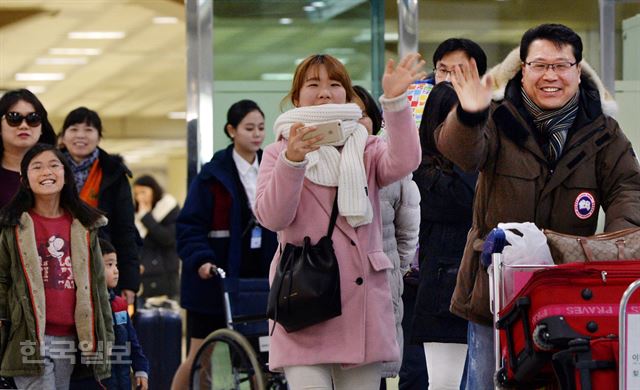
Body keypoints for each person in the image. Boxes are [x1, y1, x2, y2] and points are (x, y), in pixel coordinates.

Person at [438, 23, 640, 389]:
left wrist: (614, 248)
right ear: (523, 69)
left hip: (569, 289)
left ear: (578, 71)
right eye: (540, 65)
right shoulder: (498, 116)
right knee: (487, 382)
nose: (551, 76)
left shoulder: (604, 132)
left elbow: (627, 188)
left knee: (562, 380)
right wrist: (468, 114)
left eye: (562, 66)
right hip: (493, 288)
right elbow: (462, 154)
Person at [254, 52, 425, 389]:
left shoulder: (368, 147)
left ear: (347, 95)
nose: (324, 93)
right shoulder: (279, 151)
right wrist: (292, 162)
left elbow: (406, 160)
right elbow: (273, 217)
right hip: (303, 297)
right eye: (313, 84)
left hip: (361, 301)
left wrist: (394, 102)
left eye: (334, 84)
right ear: (296, 96)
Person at [172, 99, 278, 389]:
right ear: (231, 130)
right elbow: (189, 226)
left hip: (256, 280)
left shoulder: (271, 166)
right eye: (248, 128)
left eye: (260, 128)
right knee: (199, 356)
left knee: (262, 356)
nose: (257, 134)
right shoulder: (212, 175)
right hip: (213, 280)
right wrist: (202, 260)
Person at [0, 143, 113, 388]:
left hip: (70, 338)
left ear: (66, 174)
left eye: (54, 165)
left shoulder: (84, 225)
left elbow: (98, 286)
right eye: (36, 167)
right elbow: (2, 279)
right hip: (29, 336)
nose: (46, 172)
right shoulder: (13, 226)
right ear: (24, 179)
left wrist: (106, 339)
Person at [410, 38, 486, 390]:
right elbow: (465, 200)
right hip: (443, 289)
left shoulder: (488, 161)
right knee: (443, 382)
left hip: (483, 285)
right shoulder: (424, 170)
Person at [353, 85, 421, 389]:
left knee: (373, 370)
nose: (355, 122)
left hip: (380, 281)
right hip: (331, 286)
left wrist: (396, 268)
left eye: (362, 115)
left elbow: (408, 230)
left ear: (376, 121)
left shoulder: (390, 166)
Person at [58, 107, 140, 304]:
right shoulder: (48, 166)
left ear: (99, 136)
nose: (80, 136)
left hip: (100, 261)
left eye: (88, 130)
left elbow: (125, 229)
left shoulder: (114, 173)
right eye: (74, 129)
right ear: (63, 136)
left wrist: (129, 281)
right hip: (56, 259)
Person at [99, 238, 149, 390]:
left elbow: (132, 342)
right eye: (109, 265)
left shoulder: (119, 305)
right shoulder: (87, 309)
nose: (116, 270)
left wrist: (141, 370)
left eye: (116, 264)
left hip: (123, 382)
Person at [0, 89, 56, 208]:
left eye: (33, 118)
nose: (24, 126)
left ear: (42, 128)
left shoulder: (58, 169)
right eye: (14, 118)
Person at [133, 174, 181, 300]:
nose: (140, 198)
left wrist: (146, 218)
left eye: (143, 192)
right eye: (137, 194)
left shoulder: (169, 208)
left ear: (154, 190)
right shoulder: (136, 214)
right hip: (143, 275)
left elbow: (168, 238)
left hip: (166, 275)